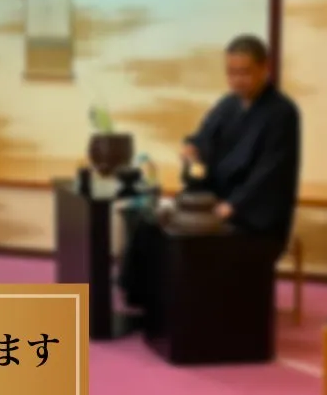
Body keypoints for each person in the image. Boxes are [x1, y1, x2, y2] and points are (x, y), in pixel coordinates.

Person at [119, 34, 301, 309]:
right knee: (151, 224)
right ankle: (148, 304)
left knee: (189, 237)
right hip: (215, 203)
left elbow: (270, 173)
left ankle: (186, 310)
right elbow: (203, 137)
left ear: (266, 68)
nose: (237, 80)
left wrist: (233, 206)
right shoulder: (228, 105)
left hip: (254, 217)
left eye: (244, 72)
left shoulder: (283, 113)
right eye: (231, 72)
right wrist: (192, 149)